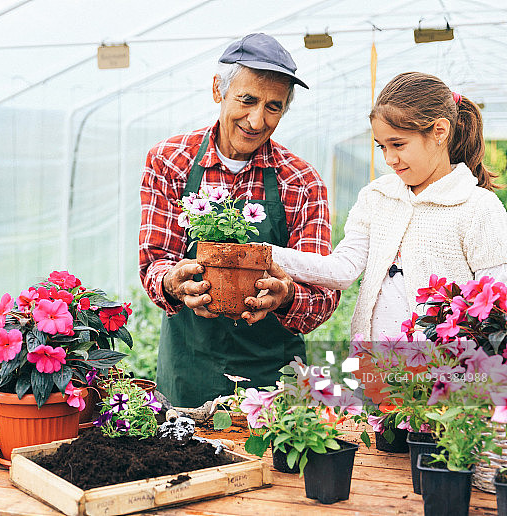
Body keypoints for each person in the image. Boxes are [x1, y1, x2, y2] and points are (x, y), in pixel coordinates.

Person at [139, 33, 340, 408]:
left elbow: (324, 292)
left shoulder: (301, 180)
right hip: (189, 370)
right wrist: (173, 283)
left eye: (273, 107)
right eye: (247, 100)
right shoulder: (171, 161)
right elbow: (155, 261)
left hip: (273, 377)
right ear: (218, 90)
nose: (257, 119)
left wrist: (287, 295)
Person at [272, 71, 507, 342]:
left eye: (398, 144)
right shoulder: (377, 197)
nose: (390, 159)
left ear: (439, 131)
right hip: (376, 367)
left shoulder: (477, 206)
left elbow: (495, 303)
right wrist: (267, 255)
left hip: (446, 372)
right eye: (382, 147)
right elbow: (343, 269)